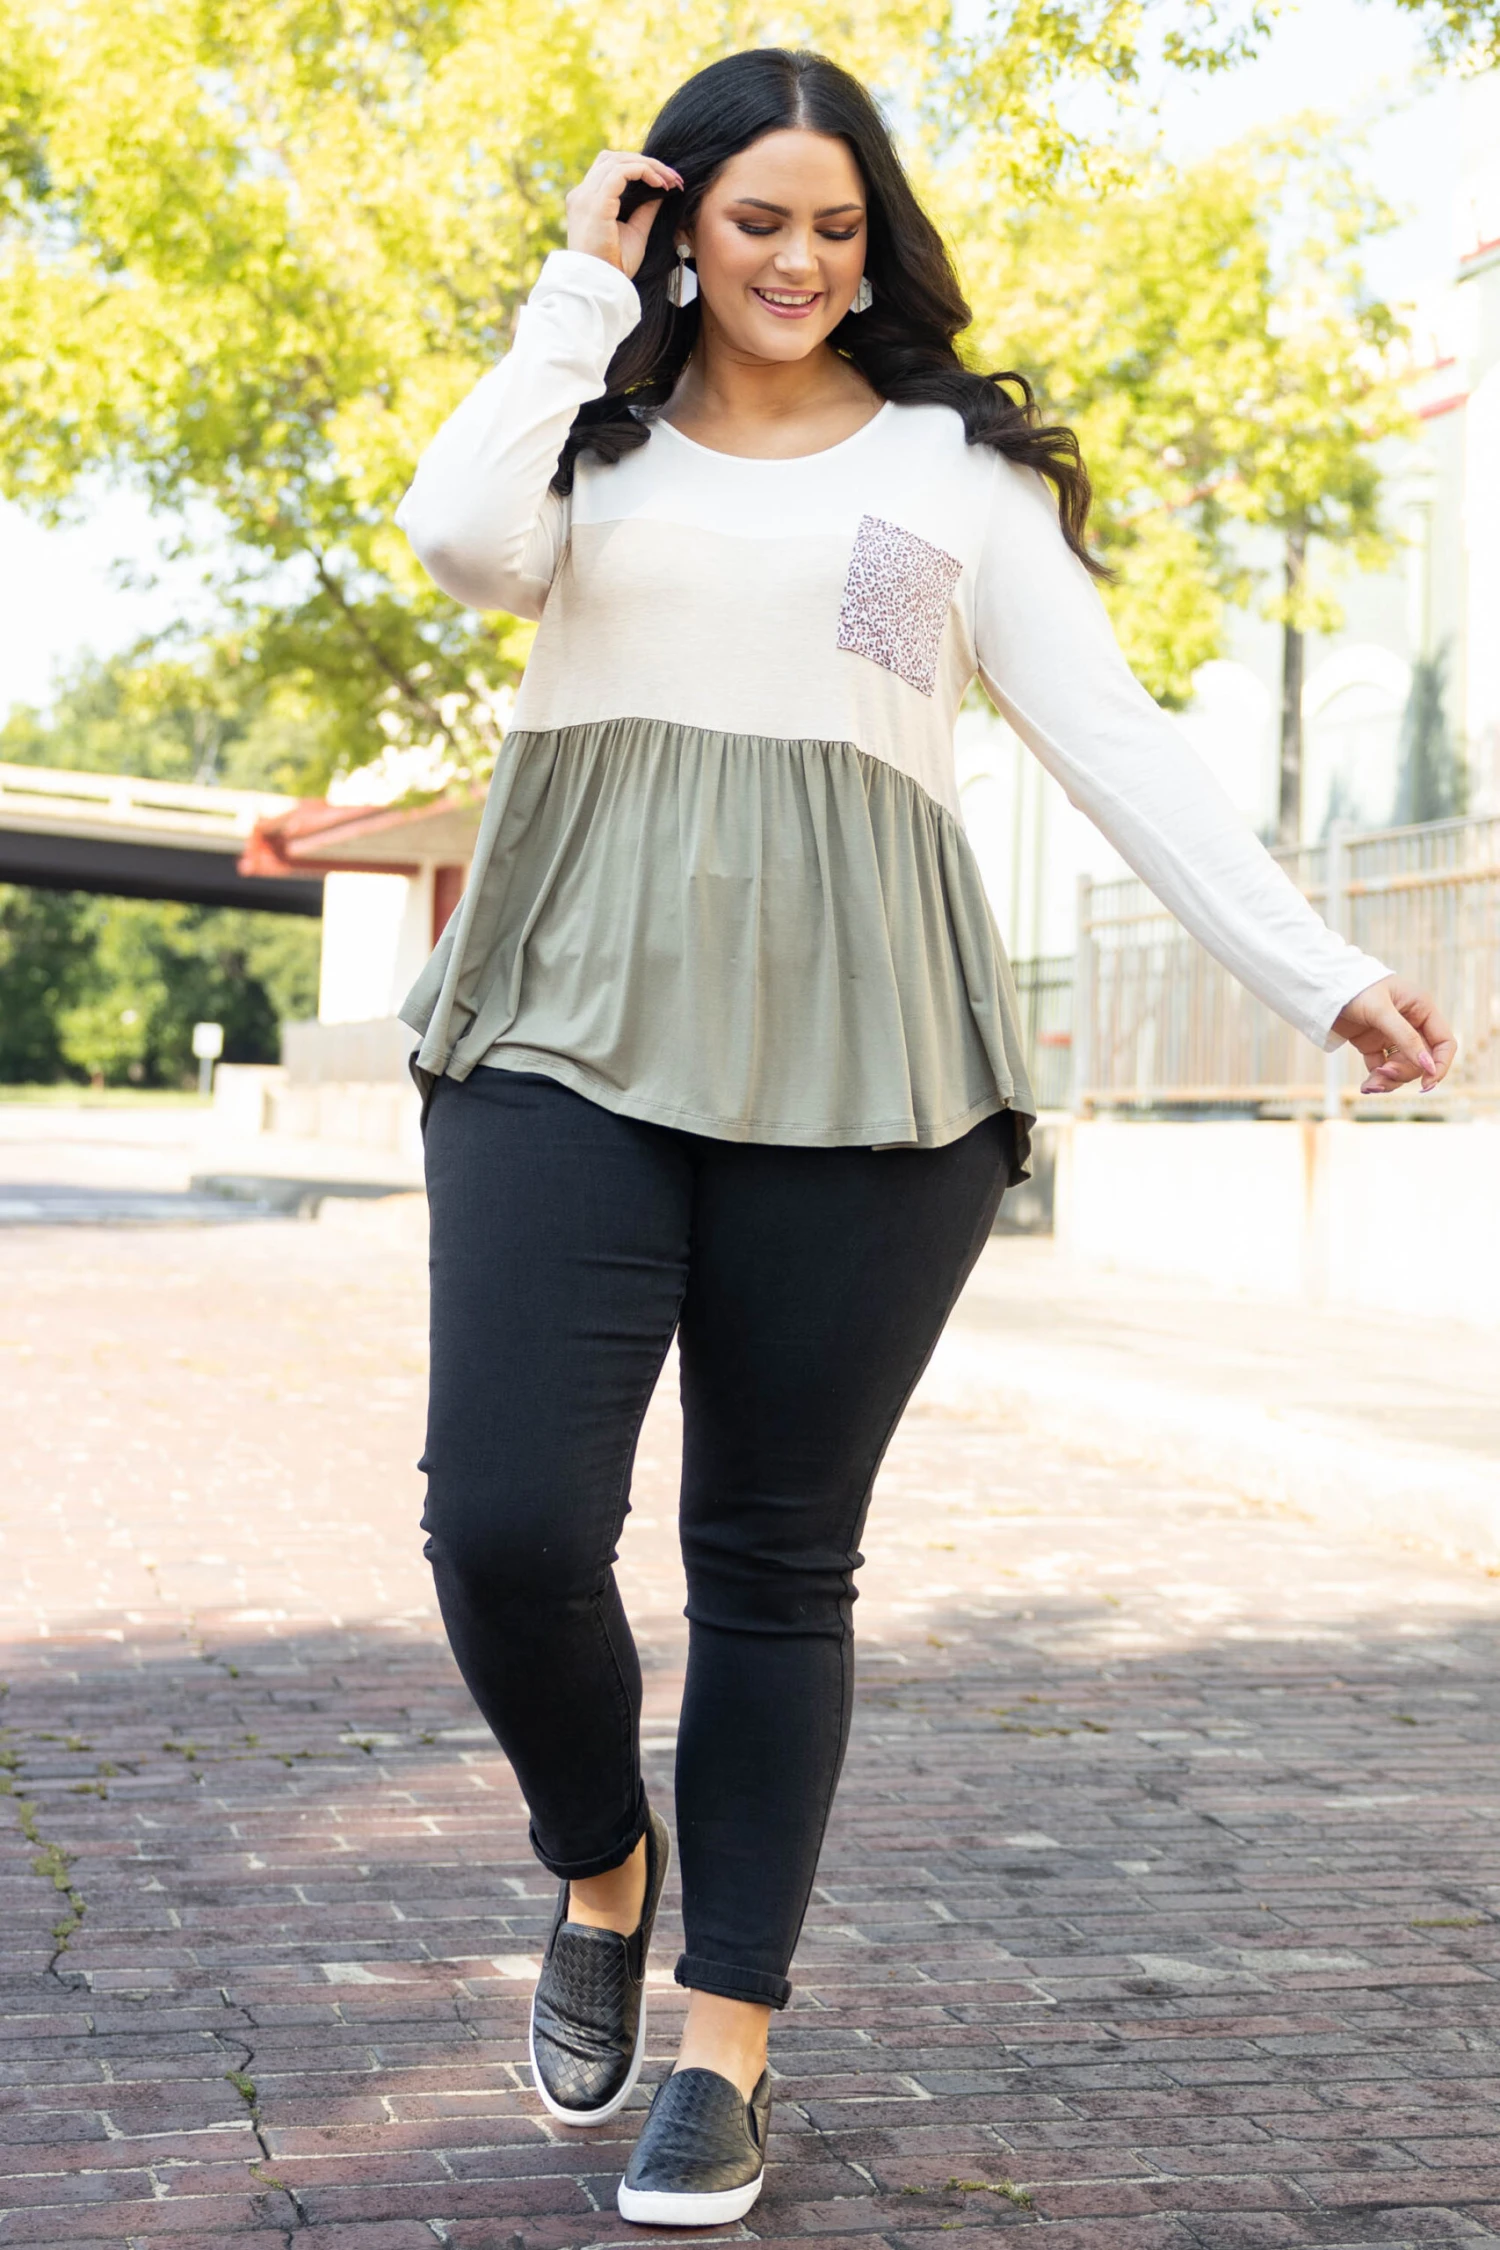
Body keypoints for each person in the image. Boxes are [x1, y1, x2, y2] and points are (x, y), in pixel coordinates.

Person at [394, 45, 1456, 2229]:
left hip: (867, 1055)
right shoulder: (584, 442)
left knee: (774, 1560)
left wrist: (1316, 974)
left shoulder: (947, 476)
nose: (796, 259)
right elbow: (456, 541)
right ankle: (600, 1862)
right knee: (503, 1524)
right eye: (754, 218)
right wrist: (574, 293)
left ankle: (726, 2040)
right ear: (680, 221)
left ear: (877, 246)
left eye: (836, 224)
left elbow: (1114, 737)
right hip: (561, 1019)